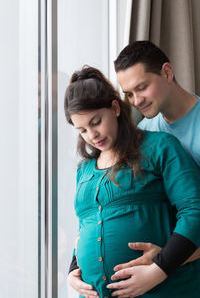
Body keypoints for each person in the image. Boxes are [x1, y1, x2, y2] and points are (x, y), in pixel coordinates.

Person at [65, 65, 200, 298]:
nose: (92, 135)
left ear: (115, 108)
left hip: (164, 289)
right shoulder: (84, 170)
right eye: (83, 130)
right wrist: (74, 270)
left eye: (96, 122)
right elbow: (88, 226)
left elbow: (195, 210)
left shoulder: (160, 147)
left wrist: (160, 269)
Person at [107, 40, 200, 295]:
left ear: (167, 72)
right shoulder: (144, 134)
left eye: (142, 87)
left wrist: (167, 260)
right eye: (128, 94)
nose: (136, 101)